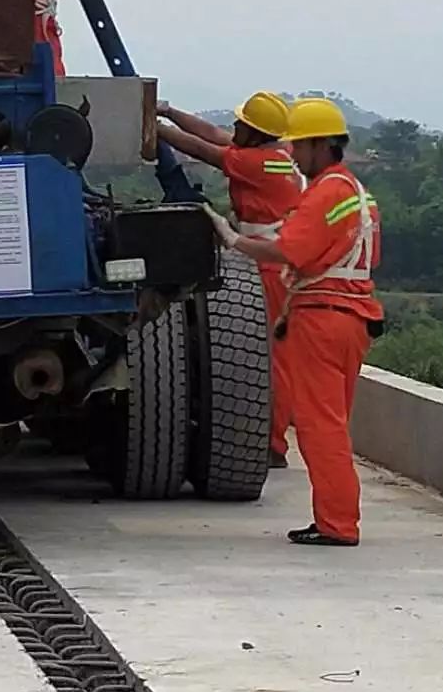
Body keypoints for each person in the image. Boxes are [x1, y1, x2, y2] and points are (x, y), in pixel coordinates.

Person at [204, 97, 382, 547]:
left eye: (301, 147)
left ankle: (337, 525)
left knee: (320, 427)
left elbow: (287, 250)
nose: (294, 155)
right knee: (334, 422)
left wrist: (232, 239)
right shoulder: (359, 193)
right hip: (353, 317)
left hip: (322, 320)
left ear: (322, 146)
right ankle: (338, 519)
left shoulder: (325, 192)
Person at [157, 91, 301, 467]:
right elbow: (214, 135)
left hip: (272, 267)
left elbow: (207, 151)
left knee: (272, 357)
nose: (234, 127)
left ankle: (273, 445)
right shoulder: (276, 153)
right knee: (274, 354)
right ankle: (271, 440)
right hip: (278, 263)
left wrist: (157, 129)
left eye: (241, 124)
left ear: (254, 133)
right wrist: (170, 110)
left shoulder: (256, 163)